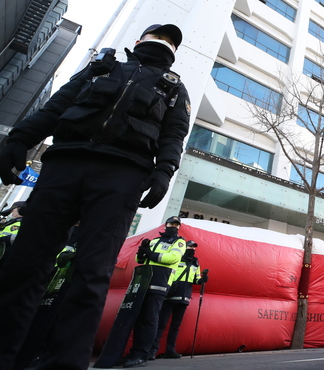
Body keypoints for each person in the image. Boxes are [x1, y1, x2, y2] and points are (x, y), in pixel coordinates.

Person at [0, 23, 190, 370]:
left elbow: (174, 135)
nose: (163, 42)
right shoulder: (101, 68)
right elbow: (56, 106)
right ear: (138, 42)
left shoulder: (174, 88)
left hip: (123, 175)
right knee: (24, 266)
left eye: (170, 40)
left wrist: (163, 171)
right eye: (158, 35)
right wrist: (18, 139)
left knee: (92, 273)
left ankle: (63, 365)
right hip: (64, 165)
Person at [121, 216, 187, 367]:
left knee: (150, 319)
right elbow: (140, 260)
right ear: (166, 225)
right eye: (171, 224)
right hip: (144, 281)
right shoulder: (155, 241)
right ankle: (134, 352)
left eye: (176, 225)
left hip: (160, 284)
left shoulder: (179, 242)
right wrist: (142, 252)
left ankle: (143, 354)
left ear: (179, 227)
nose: (173, 227)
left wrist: (150, 254)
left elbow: (172, 257)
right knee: (139, 319)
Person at [150, 239, 208, 360]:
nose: (193, 250)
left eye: (194, 248)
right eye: (190, 247)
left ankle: (170, 350)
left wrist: (202, 279)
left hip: (184, 297)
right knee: (161, 324)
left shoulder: (195, 263)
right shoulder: (177, 258)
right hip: (170, 295)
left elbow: (195, 280)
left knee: (175, 326)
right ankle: (152, 350)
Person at [0, 201, 25, 266]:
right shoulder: (9, 224)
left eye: (11, 212)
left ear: (20, 211)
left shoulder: (24, 225)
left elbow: (16, 239)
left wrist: (4, 239)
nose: (9, 215)